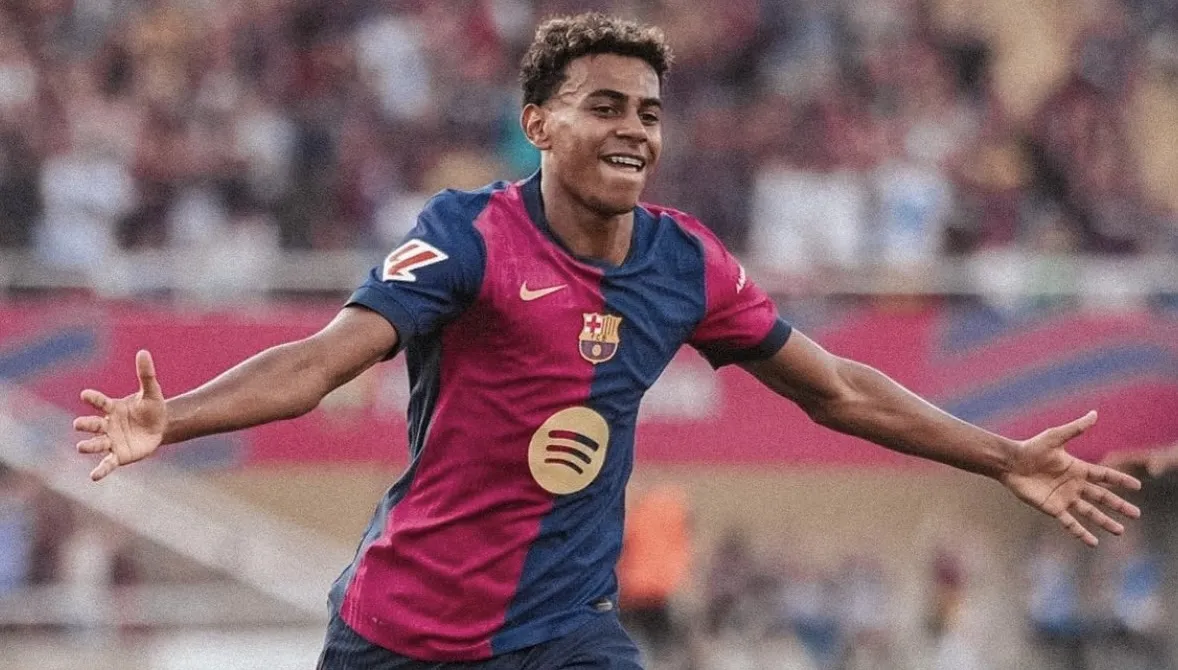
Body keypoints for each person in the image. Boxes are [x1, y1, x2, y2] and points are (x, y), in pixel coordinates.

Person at [72, 13, 1142, 670]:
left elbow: (838, 390)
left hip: (561, 637)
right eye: (605, 106)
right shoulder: (467, 235)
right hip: (399, 633)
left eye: (649, 111)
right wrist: (179, 418)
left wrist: (1002, 456)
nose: (634, 127)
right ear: (538, 124)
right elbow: (322, 360)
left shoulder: (685, 264)